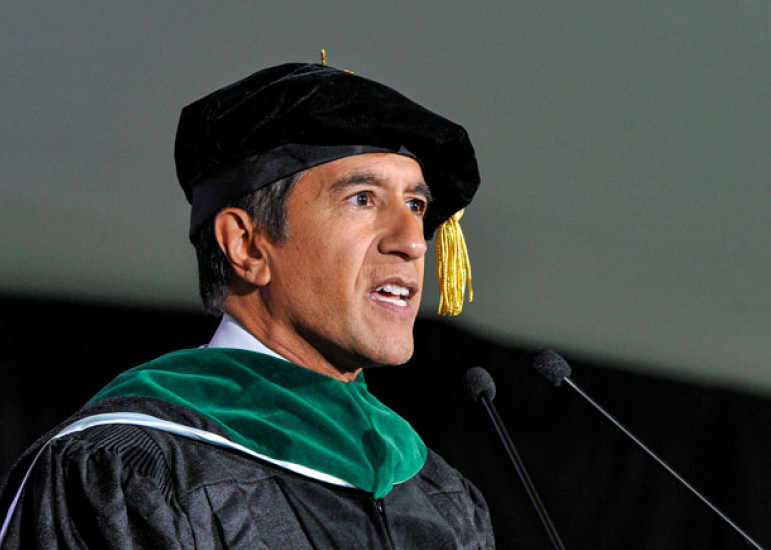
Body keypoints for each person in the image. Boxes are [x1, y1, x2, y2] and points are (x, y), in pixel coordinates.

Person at [0, 62, 493, 548]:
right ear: (247, 245)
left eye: (416, 206)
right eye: (362, 198)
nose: (413, 242)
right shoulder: (125, 470)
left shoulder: (440, 495)